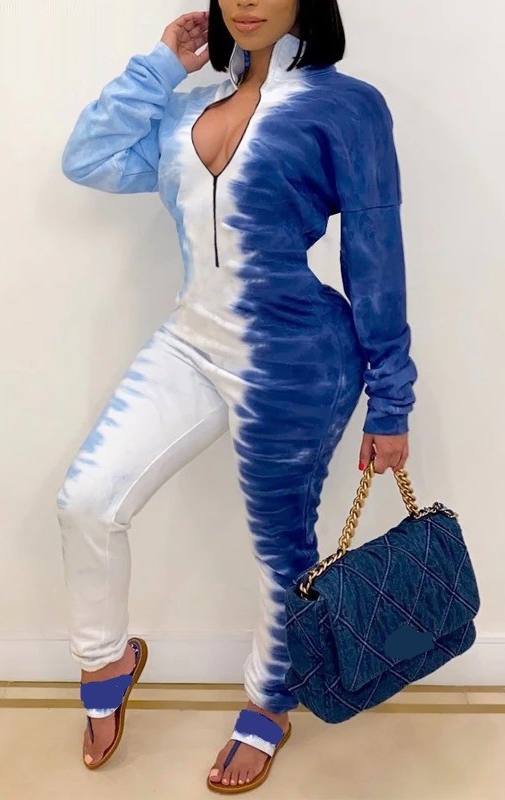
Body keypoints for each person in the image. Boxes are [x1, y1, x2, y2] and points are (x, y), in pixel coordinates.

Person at [57, 0, 417, 792]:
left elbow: (375, 249)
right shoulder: (189, 104)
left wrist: (391, 397)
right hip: (191, 338)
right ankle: (106, 658)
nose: (246, 1)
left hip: (296, 354)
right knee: (86, 500)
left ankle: (271, 702)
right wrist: (160, 68)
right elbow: (88, 157)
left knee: (280, 547)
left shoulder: (345, 107)